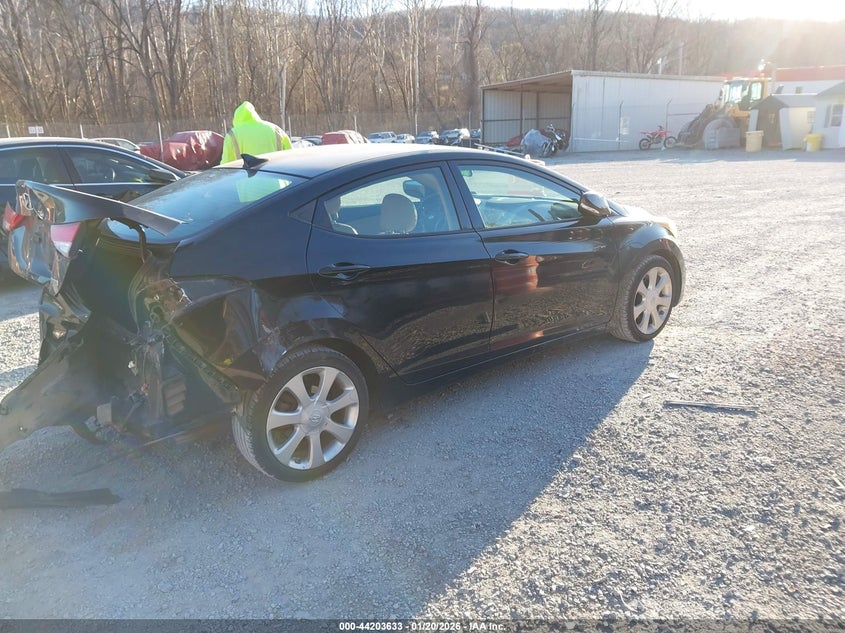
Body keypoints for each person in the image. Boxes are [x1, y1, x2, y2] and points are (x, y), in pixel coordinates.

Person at [220, 101, 292, 163]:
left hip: (246, 178)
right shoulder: (276, 129)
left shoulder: (233, 134)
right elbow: (292, 157)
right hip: (275, 176)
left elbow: (226, 165)